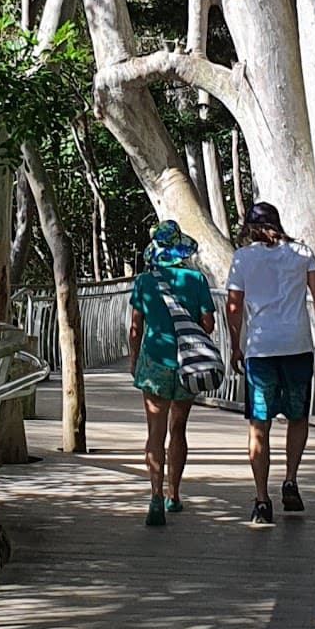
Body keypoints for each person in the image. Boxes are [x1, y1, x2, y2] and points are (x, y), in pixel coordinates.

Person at [225, 201, 315, 525]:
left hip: (261, 349)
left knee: (260, 424)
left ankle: (261, 499)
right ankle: (290, 479)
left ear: (249, 228)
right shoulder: (302, 253)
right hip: (297, 345)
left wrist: (235, 345)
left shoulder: (242, 258)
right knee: (298, 416)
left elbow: (234, 306)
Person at [128, 221, 218, 527]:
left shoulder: (144, 281)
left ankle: (154, 497)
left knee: (155, 432)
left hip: (154, 360)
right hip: (186, 364)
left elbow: (135, 327)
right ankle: (174, 494)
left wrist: (133, 360)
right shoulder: (196, 279)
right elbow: (208, 324)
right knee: (178, 428)